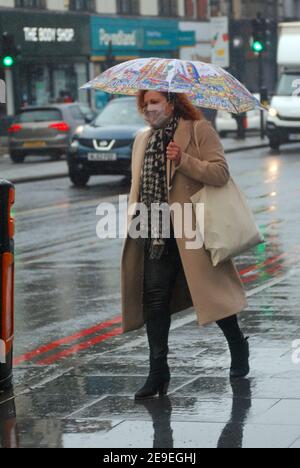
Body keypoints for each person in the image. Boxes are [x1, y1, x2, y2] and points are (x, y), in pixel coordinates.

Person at [120, 91, 250, 401]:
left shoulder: (197, 130)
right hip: (155, 229)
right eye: (145, 104)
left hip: (193, 229)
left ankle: (237, 345)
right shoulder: (142, 139)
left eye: (155, 102)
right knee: (154, 299)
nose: (149, 109)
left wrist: (183, 160)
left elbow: (220, 173)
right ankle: (158, 372)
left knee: (211, 297)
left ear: (171, 103)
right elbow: (138, 186)